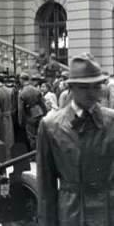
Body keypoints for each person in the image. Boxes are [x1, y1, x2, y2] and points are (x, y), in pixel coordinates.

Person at [37, 53, 114, 225]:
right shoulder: (51, 126)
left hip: (107, 212)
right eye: (84, 88)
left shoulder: (111, 122)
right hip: (71, 214)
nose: (92, 93)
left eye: (96, 87)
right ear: (71, 88)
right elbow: (45, 188)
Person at [18, 72, 47, 150]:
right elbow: (42, 103)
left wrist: (21, 122)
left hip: (30, 115)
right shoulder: (35, 89)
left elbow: (21, 110)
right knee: (41, 134)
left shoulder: (22, 92)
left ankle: (35, 155)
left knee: (32, 137)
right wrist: (45, 113)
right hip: (39, 113)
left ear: (21, 80)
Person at [0, 72, 15, 158]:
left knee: (1, 137)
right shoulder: (10, 90)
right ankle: (10, 156)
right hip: (9, 116)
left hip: (0, 117)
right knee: (9, 138)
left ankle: (2, 156)